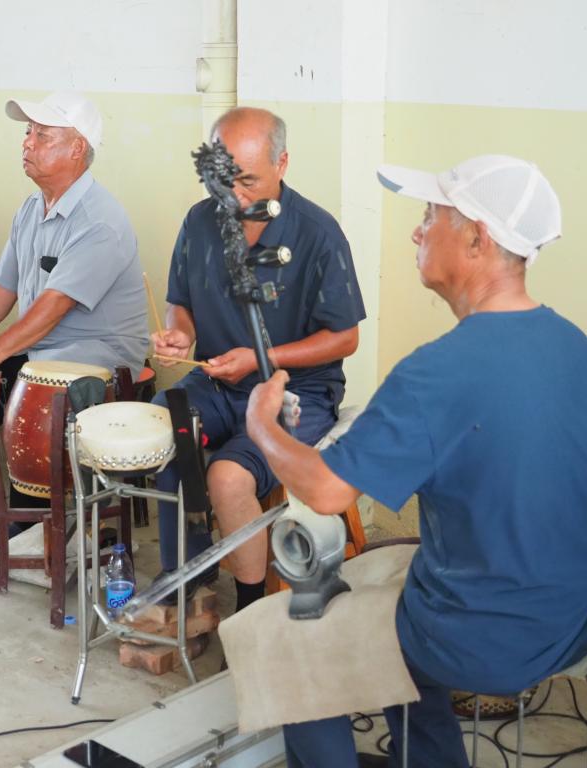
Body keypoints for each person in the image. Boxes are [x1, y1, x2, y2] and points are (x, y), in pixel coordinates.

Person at [246, 155, 587, 767]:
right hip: (575, 616)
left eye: (430, 216)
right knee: (395, 575)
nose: (417, 231)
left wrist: (262, 427)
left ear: (477, 239)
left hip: (486, 638)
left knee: (285, 634)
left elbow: (326, 492)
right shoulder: (574, 344)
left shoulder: (437, 371)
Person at [151, 107, 365, 608]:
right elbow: (180, 302)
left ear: (282, 164)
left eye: (247, 181)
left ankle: (249, 609)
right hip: (217, 384)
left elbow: (345, 337)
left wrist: (260, 357)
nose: (232, 195)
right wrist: (180, 334)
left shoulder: (316, 233)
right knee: (163, 426)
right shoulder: (200, 221)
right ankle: (189, 581)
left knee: (227, 477)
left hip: (295, 392)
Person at [0, 90, 148, 531]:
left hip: (98, 354)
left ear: (77, 148)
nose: (27, 142)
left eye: (42, 136)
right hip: (44, 346)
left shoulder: (99, 220)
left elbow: (55, 305)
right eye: (29, 133)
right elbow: (0, 286)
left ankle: (31, 524)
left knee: (30, 384)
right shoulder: (31, 209)